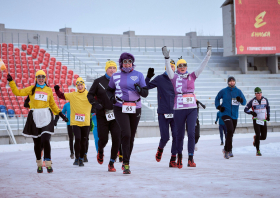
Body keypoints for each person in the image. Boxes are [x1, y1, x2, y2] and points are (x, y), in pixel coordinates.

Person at [7, 70, 68, 173]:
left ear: (45, 78)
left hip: (46, 116)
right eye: (39, 77)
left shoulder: (48, 90)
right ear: (36, 78)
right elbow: (17, 92)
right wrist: (11, 82)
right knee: (37, 143)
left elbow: (52, 104)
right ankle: (39, 164)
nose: (41, 79)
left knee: (45, 139)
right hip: (34, 116)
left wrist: (61, 114)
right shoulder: (31, 89)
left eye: (43, 77)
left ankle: (48, 163)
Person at [161, 46, 211, 168]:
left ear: (187, 67)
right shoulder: (174, 77)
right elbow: (168, 69)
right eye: (180, 66)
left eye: (184, 65)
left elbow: (202, 66)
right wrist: (167, 58)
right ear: (177, 68)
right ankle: (179, 157)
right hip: (179, 108)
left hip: (192, 108)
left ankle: (190, 158)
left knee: (192, 133)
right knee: (179, 134)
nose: (182, 67)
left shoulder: (192, 76)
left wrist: (208, 55)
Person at [107, 53, 149, 174]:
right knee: (126, 133)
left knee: (130, 137)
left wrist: (140, 90)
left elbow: (145, 93)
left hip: (135, 107)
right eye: (125, 62)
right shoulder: (115, 76)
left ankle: (125, 160)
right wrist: (112, 98)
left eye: (129, 62)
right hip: (120, 107)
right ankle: (126, 164)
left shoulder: (138, 75)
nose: (127, 64)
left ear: (132, 63)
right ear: (121, 63)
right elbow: (109, 90)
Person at [87, 60, 121, 172]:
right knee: (104, 139)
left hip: (116, 115)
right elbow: (90, 95)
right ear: (106, 69)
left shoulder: (120, 82)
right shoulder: (98, 81)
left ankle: (111, 162)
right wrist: (96, 104)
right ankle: (100, 150)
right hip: (102, 115)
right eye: (110, 68)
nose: (112, 70)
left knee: (117, 139)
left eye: (114, 68)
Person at [145, 59, 178, 168]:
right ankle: (160, 149)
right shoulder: (160, 79)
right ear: (166, 67)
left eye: (173, 66)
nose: (171, 68)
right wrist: (148, 77)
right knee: (165, 137)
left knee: (176, 136)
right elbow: (146, 87)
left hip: (176, 113)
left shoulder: (178, 79)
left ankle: (173, 158)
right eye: (170, 66)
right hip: (163, 113)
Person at [55, 77, 92, 167]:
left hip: (86, 122)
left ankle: (81, 158)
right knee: (78, 139)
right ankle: (76, 157)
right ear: (76, 86)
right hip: (75, 122)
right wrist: (57, 90)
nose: (80, 86)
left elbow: (99, 99)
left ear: (84, 85)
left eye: (81, 85)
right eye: (78, 85)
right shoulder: (73, 95)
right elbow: (61, 96)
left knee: (83, 141)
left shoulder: (89, 95)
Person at [215, 76, 246, 159]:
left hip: (234, 115)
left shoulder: (238, 91)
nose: (232, 82)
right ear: (228, 82)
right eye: (230, 81)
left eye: (233, 81)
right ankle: (228, 150)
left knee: (230, 133)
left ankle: (226, 149)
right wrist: (219, 107)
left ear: (235, 82)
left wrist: (241, 100)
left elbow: (244, 102)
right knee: (230, 130)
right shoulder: (224, 91)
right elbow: (217, 98)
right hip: (225, 114)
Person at [244, 87, 270, 156]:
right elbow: (245, 109)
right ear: (255, 94)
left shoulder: (265, 100)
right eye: (258, 93)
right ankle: (258, 151)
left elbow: (268, 107)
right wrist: (251, 112)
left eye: (260, 92)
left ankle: (255, 138)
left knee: (264, 137)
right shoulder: (252, 101)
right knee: (258, 134)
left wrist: (269, 115)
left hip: (263, 120)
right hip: (256, 120)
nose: (259, 94)